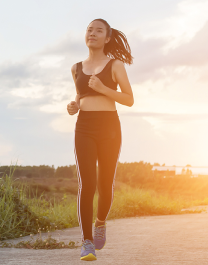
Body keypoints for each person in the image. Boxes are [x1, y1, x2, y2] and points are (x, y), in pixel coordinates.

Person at [67, 18, 134, 261]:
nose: (92, 33)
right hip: (84, 126)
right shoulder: (76, 68)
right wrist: (74, 105)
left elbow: (128, 99)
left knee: (106, 185)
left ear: (107, 38)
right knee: (87, 185)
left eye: (98, 30)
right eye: (89, 30)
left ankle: (101, 222)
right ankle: (86, 243)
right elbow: (80, 94)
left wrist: (103, 88)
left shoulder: (115, 65)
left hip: (109, 127)